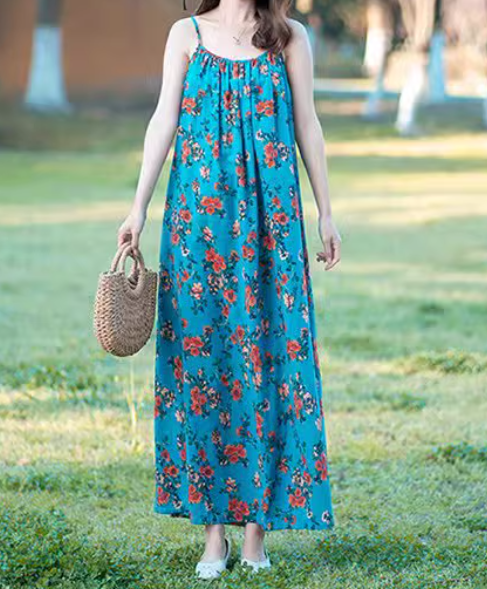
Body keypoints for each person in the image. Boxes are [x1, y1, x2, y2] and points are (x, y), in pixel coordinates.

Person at [117, 0, 342, 580]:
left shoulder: (289, 37)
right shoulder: (185, 35)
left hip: (273, 223)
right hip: (198, 224)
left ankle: (255, 534)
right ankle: (213, 535)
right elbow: (163, 119)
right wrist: (138, 209)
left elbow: (306, 123)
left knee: (269, 360)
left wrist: (326, 212)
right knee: (205, 365)